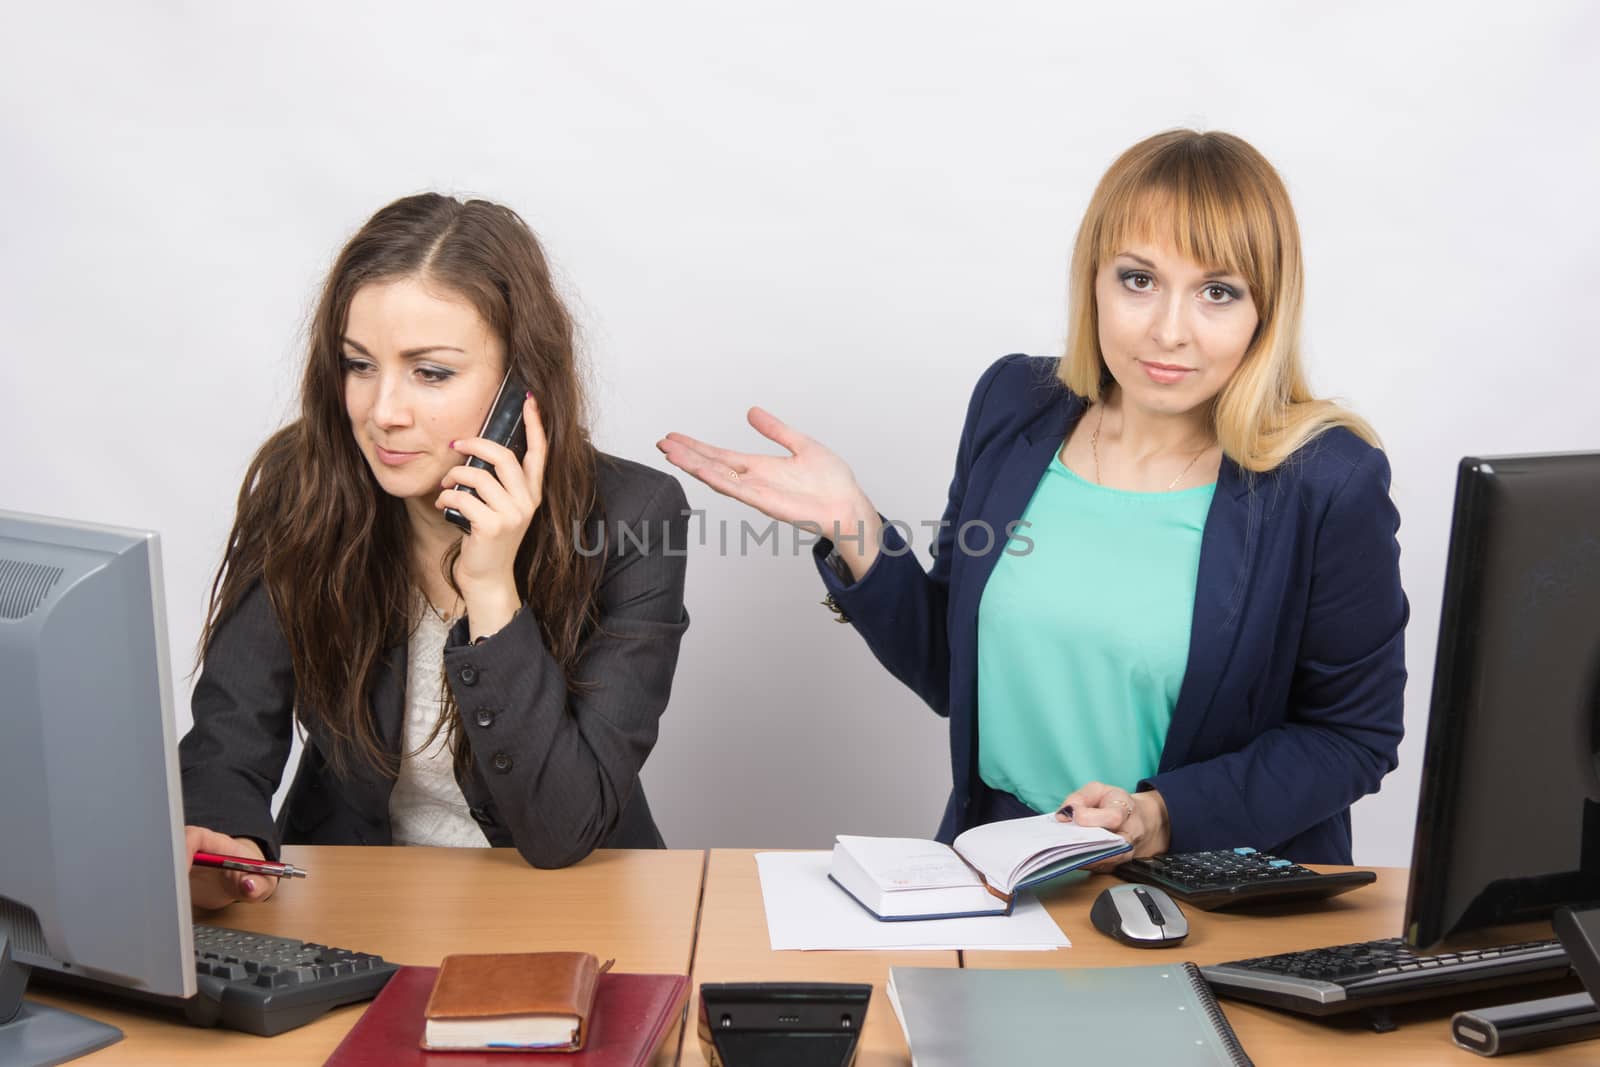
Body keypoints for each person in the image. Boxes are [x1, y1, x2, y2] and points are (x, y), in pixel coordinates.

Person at [658, 129, 1406, 866]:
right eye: (1138, 279)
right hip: (1004, 876)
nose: (1169, 330)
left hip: (1212, 895)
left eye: (1217, 292)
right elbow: (955, 671)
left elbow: (1353, 737)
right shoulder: (1016, 403)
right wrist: (852, 524)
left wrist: (1159, 814)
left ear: (1264, 311)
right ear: (1094, 281)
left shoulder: (1327, 478)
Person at [181, 194, 689, 908]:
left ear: (522, 386)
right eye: (359, 364)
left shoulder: (634, 516)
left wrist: (492, 590)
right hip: (360, 902)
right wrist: (220, 837)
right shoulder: (306, 485)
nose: (383, 410)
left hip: (571, 910)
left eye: (431, 372)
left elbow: (562, 827)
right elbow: (228, 741)